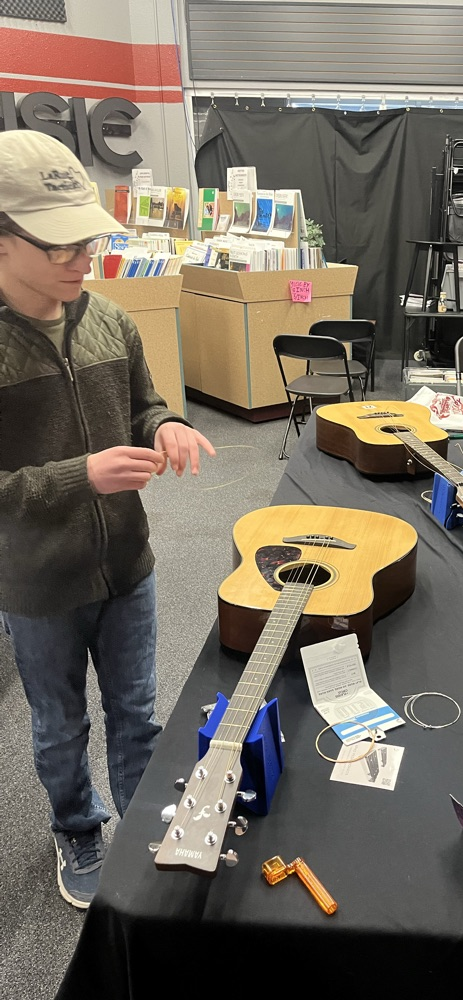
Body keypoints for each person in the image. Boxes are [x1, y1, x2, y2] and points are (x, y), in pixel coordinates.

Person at [0, 130, 215, 909]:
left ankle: (144, 821)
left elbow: (143, 404)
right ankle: (79, 831)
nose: (80, 254)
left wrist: (164, 426)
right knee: (59, 728)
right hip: (38, 584)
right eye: (57, 241)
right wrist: (78, 477)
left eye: (86, 235)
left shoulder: (111, 321)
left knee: (138, 714)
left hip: (128, 564)